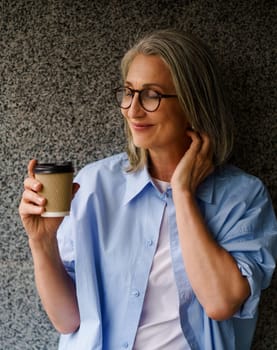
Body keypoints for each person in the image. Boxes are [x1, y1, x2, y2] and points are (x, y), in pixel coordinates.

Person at [19, 29, 277, 350]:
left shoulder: (243, 197)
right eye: (128, 92)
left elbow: (220, 302)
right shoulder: (93, 184)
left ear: (193, 103)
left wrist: (182, 194)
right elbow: (68, 320)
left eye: (151, 95)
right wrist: (42, 242)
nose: (133, 109)